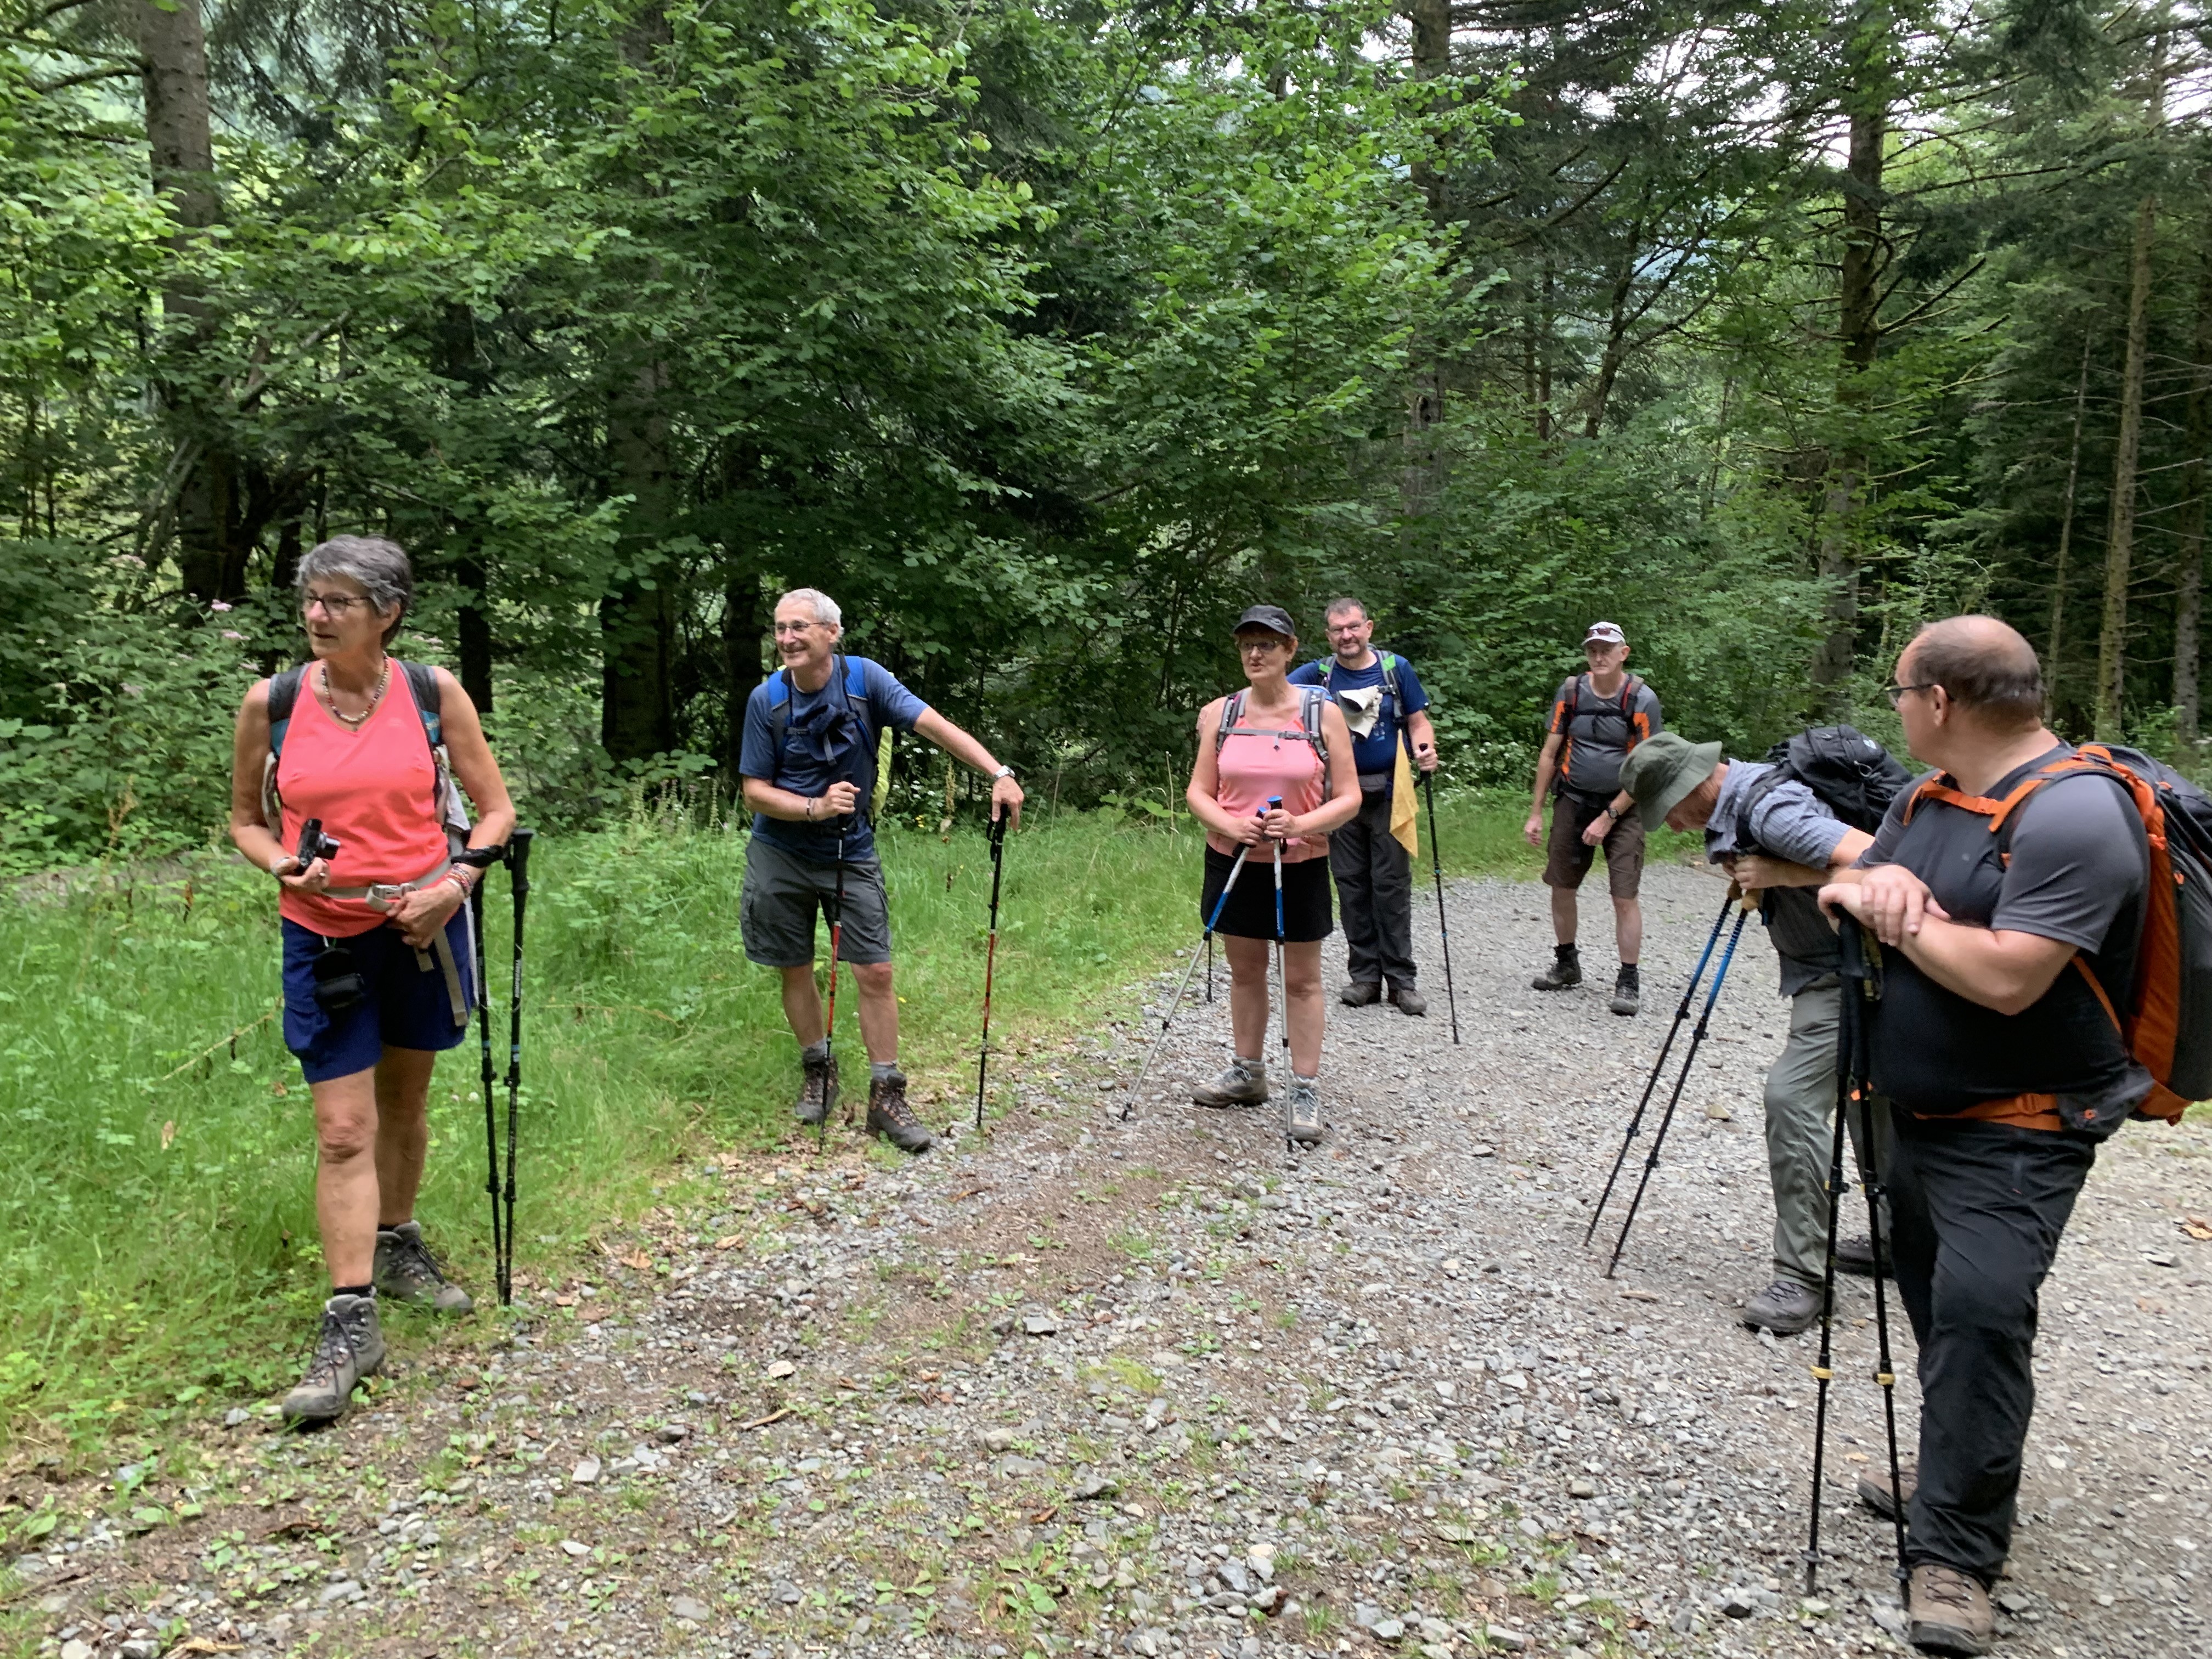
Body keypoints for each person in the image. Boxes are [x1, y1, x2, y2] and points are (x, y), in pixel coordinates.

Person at [1819, 616, 2149, 1657]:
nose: (1896, 705)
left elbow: (2010, 976)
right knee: (1930, 1294)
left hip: (2022, 1124)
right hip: (1913, 1108)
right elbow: (1869, 880)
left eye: (1900, 688)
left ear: (1941, 702)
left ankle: (1955, 1554)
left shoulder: (2077, 816)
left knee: (1980, 1310)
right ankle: (1948, 1457)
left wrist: (1899, 918)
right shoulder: (1925, 799)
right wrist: (1854, 886)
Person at [227, 535, 517, 1424]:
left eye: (339, 601)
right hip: (324, 936)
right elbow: (244, 818)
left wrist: (452, 884)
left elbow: (496, 810)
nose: (317, 615)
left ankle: (398, 1240)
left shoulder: (433, 694)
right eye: (312, 599)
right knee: (343, 1127)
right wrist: (282, 863)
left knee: (405, 1101)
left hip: (423, 927)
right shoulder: (270, 704)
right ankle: (350, 1318)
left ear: (387, 612)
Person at [1619, 731, 1891, 1337]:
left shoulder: (1771, 810)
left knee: (1792, 1100)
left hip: (1855, 972)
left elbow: (1882, 863)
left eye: (1673, 810)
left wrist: (1782, 872)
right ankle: (1897, 1237)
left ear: (1697, 784)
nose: (1678, 827)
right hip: (1844, 971)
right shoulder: (1746, 803)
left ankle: (1802, 1277)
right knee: (1867, 1095)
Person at [738, 589, 1022, 1154]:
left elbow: (935, 726)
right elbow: (754, 793)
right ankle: (818, 1068)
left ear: (831, 633)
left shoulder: (866, 682)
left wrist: (999, 771)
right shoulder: (765, 700)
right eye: (780, 628)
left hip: (851, 849)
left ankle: (886, 1095)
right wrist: (814, 807)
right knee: (794, 966)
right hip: (780, 854)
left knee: (876, 972)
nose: (788, 638)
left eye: (799, 627)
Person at [1184, 606, 1361, 1143]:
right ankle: (1248, 1072)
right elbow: (1198, 792)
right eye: (1247, 645)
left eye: (1267, 644)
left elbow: (1351, 797)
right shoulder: (1221, 713)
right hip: (1233, 858)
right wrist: (1232, 825)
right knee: (1244, 972)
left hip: (1300, 861)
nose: (1255, 654)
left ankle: (1303, 1086)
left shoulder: (1320, 713)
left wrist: (1301, 823)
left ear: (1290, 649)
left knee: (1303, 980)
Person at [1288, 598, 1440, 1014]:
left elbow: (1417, 719)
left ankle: (1402, 981)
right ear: (1328, 635)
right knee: (1352, 885)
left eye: (1353, 627)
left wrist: (1425, 748)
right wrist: (1221, 711)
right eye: (1338, 630)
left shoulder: (1395, 670)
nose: (1347, 636)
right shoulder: (1317, 676)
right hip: (1339, 799)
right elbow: (1273, 694)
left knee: (1391, 886)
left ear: (1369, 628)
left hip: (1391, 793)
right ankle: (1365, 978)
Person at [1523, 622, 1662, 1014]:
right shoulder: (1571, 692)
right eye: (1593, 650)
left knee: (1624, 895)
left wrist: (1609, 817)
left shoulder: (1641, 699)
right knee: (1561, 886)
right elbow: (1550, 753)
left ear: (1624, 653)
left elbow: (1647, 770)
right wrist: (1536, 812)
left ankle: (1628, 979)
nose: (1599, 657)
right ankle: (1567, 963)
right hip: (1573, 798)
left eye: (1607, 649)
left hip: (1625, 807)